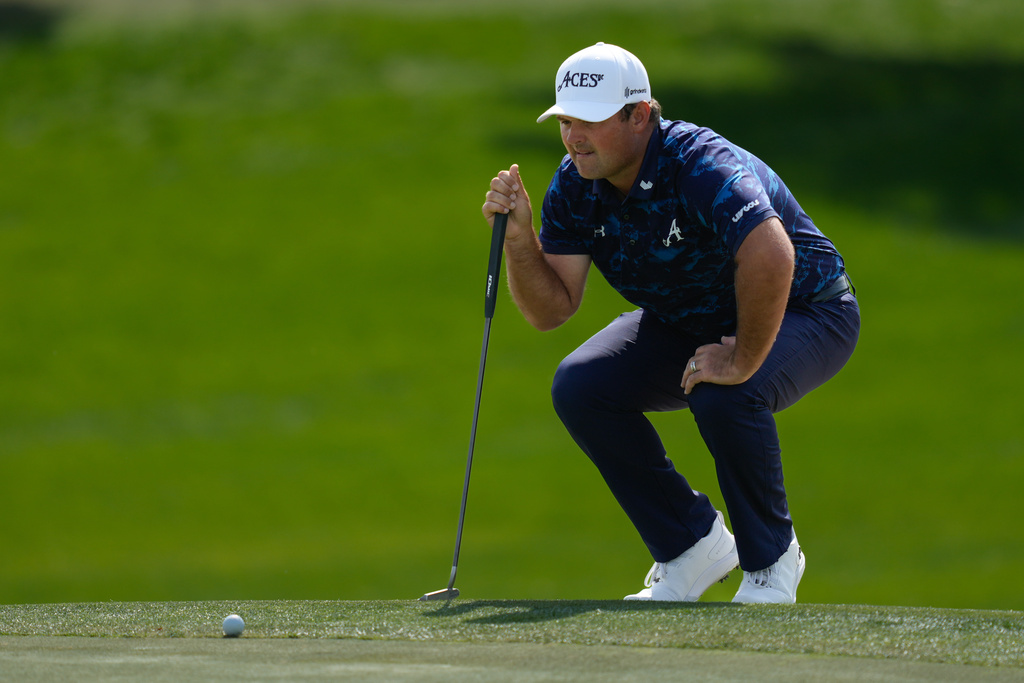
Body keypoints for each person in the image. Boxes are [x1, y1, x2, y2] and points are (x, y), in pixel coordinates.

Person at [482, 42, 859, 603]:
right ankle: (691, 546)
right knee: (581, 386)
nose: (572, 137)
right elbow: (552, 308)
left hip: (809, 308)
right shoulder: (575, 184)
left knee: (726, 393)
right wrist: (519, 240)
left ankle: (772, 562)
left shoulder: (700, 163)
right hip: (686, 318)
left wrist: (741, 360)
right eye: (565, 121)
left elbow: (772, 256)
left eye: (588, 121)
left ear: (640, 115)